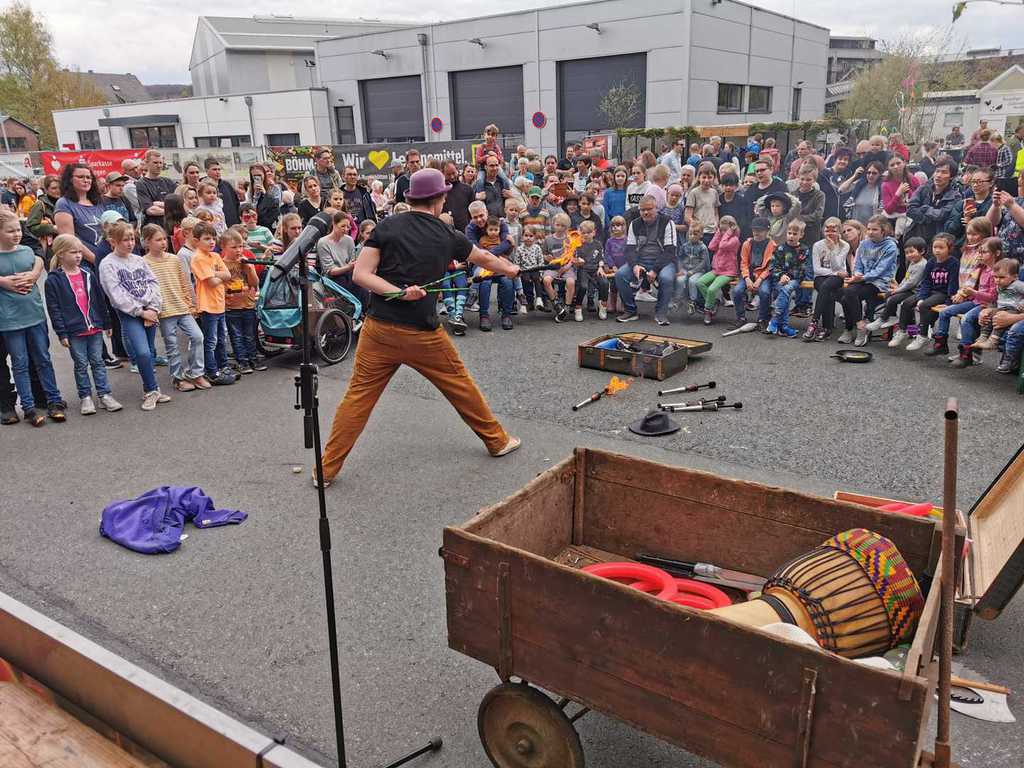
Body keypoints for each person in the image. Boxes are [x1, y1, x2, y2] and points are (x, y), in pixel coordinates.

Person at [315, 168, 521, 487]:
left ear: (412, 198)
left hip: (378, 329)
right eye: (444, 197)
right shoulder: (447, 234)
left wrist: (395, 292)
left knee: (357, 399)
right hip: (422, 334)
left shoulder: (386, 225)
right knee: (461, 386)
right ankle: (497, 441)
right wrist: (510, 269)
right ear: (438, 198)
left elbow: (361, 274)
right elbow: (484, 258)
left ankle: (325, 470)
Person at [0, 210, 66, 426]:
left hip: (34, 315)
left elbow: (37, 258)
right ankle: (27, 407)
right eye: (10, 231)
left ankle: (53, 400)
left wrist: (33, 274)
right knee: (19, 363)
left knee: (43, 359)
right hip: (9, 320)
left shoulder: (27, 251)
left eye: (18, 230)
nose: (17, 234)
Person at [43, 234, 121, 415]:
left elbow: (100, 300)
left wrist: (107, 323)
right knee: (80, 364)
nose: (78, 255)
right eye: (73, 252)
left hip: (94, 327)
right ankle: (85, 397)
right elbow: (54, 309)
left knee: (98, 362)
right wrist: (62, 333)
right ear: (60, 254)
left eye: (79, 252)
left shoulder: (88, 274)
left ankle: (104, 395)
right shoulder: (54, 280)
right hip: (74, 331)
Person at [97, 221, 170, 411]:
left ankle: (152, 388)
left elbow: (153, 282)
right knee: (142, 352)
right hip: (131, 313)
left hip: (150, 310)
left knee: (150, 352)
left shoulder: (138, 260)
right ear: (113, 241)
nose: (130, 243)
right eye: (125, 240)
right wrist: (141, 311)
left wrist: (153, 308)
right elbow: (115, 294)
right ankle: (151, 390)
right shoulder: (108, 264)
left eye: (132, 239)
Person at [142, 224, 207, 392]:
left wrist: (190, 304)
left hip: (182, 307)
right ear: (147, 242)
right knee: (172, 346)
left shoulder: (174, 259)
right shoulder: (143, 263)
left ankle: (195, 373)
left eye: (164, 239)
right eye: (158, 240)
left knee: (198, 336)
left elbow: (184, 282)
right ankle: (177, 378)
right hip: (164, 311)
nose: (163, 243)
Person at [837, 215, 898, 346]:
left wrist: (862, 277)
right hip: (862, 279)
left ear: (883, 231)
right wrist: (857, 275)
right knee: (847, 293)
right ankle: (859, 325)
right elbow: (858, 264)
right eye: (869, 229)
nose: (870, 232)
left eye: (874, 229)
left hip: (880, 282)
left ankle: (852, 328)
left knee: (847, 298)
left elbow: (881, 270)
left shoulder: (891, 246)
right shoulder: (864, 244)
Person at [615, 195, 677, 324]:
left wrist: (655, 270)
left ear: (656, 208)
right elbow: (630, 249)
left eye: (649, 209)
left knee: (666, 278)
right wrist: (635, 266)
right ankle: (630, 311)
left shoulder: (667, 222)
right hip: (641, 261)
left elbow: (670, 250)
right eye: (642, 210)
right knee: (620, 275)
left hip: (664, 262)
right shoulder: (634, 224)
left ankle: (661, 313)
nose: (646, 212)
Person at [189, 222, 236, 386]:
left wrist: (214, 273)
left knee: (221, 338)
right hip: (207, 306)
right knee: (211, 341)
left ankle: (223, 366)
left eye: (213, 238)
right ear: (196, 241)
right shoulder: (198, 258)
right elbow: (212, 282)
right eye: (207, 238)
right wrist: (218, 275)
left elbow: (228, 275)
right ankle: (212, 371)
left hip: (219, 304)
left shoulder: (215, 256)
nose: (211, 242)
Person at [945, 235, 1000, 368]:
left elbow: (993, 297)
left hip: (989, 305)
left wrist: (973, 293)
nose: (980, 255)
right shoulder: (982, 268)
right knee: (947, 311)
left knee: (966, 319)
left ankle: (967, 354)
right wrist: (963, 293)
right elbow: (970, 283)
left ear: (997, 253)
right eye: (979, 252)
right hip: (977, 302)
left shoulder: (996, 272)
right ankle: (946, 345)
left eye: (984, 252)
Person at [466, 201, 516, 330]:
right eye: (475, 217)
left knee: (507, 280)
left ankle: (506, 314)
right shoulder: (470, 229)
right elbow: (475, 250)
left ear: (486, 213)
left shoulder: (500, 223)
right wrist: (488, 257)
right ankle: (484, 316)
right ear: (471, 217)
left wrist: (489, 255)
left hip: (500, 261)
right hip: (480, 264)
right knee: (485, 281)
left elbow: (507, 243)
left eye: (481, 215)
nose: (479, 219)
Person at [907, 233, 959, 352]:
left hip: (942, 293)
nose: (937, 250)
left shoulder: (954, 263)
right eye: (935, 247)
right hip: (930, 292)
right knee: (907, 303)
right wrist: (922, 297)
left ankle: (922, 334)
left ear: (949, 248)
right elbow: (926, 282)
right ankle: (907, 331)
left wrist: (949, 302)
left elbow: (953, 284)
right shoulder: (931, 262)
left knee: (924, 306)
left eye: (941, 247)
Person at [220, 229, 263, 374]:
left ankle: (253, 358)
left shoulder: (246, 262)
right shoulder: (221, 264)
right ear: (223, 247)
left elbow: (255, 283)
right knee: (237, 336)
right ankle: (242, 361)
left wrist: (249, 269)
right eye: (234, 247)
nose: (238, 250)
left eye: (241, 246)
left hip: (248, 304)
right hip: (231, 307)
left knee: (251, 335)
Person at [869, 236, 928, 341]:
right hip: (910, 289)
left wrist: (897, 290)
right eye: (907, 253)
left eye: (912, 252)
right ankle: (892, 317)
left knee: (895, 299)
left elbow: (911, 283)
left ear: (922, 251)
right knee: (889, 295)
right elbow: (907, 278)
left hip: (916, 291)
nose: (909, 255)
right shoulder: (913, 262)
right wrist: (898, 286)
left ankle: (884, 318)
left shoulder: (921, 265)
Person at [802, 217, 849, 342]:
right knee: (828, 291)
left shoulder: (844, 245)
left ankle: (814, 322)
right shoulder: (817, 245)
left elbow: (837, 265)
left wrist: (833, 249)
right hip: (821, 277)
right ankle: (827, 328)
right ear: (823, 230)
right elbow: (817, 269)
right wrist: (836, 273)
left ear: (839, 231)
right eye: (827, 230)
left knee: (826, 288)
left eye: (834, 231)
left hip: (836, 279)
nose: (830, 233)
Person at [964, 257, 1024, 353]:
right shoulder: (999, 286)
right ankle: (983, 337)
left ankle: (993, 340)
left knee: (999, 317)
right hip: (1001, 308)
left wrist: (1022, 303)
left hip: (1013, 309)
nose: (998, 280)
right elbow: (995, 300)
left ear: (1014, 277)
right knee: (988, 314)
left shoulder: (1017, 285)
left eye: (1002, 277)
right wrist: (988, 309)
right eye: (995, 277)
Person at [761, 220, 809, 338]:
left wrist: (788, 277)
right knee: (784, 292)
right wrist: (781, 275)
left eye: (794, 234)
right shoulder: (780, 248)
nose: (791, 236)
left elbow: (802, 269)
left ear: (801, 235)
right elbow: (773, 266)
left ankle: (774, 321)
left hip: (796, 279)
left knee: (786, 289)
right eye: (789, 233)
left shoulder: (804, 249)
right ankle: (784, 327)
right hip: (780, 279)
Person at [729, 216, 774, 332]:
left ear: (767, 231)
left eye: (760, 230)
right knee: (737, 291)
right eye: (754, 230)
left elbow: (770, 267)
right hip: (748, 275)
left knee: (764, 292)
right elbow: (743, 263)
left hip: (763, 276)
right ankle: (741, 317)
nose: (756, 233)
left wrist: (759, 280)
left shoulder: (772, 245)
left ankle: (762, 319)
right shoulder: (747, 244)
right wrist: (747, 278)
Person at [54, 163, 104, 260]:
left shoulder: (99, 202)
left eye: (88, 177)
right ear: (70, 179)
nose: (86, 180)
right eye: (81, 177)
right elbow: (70, 240)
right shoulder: (64, 204)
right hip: (83, 261)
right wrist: (95, 260)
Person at [906, 157, 961, 242]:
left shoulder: (955, 196)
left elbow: (942, 215)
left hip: (939, 239)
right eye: (937, 171)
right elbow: (910, 209)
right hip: (917, 235)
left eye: (944, 172)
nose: (939, 175)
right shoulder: (923, 189)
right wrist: (926, 219)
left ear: (951, 177)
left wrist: (925, 208)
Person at [697, 215, 740, 325]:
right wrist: (718, 233)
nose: (723, 232)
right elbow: (711, 247)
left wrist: (728, 233)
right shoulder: (720, 236)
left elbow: (722, 246)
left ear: (732, 228)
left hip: (728, 272)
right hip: (717, 269)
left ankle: (708, 311)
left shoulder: (735, 240)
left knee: (712, 290)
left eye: (726, 230)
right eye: (722, 230)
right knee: (700, 283)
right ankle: (713, 302)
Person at [945, 167, 995, 245]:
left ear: (991, 183)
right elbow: (949, 230)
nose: (975, 185)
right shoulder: (962, 204)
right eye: (973, 181)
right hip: (960, 247)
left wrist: (972, 222)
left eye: (980, 182)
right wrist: (962, 215)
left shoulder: (994, 205)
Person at [570, 220, 608, 321]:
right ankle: (578, 307)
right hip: (583, 269)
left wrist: (600, 267)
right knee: (583, 286)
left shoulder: (598, 244)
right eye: (583, 233)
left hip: (596, 269)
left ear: (594, 232)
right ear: (580, 233)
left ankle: (603, 305)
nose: (586, 235)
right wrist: (578, 261)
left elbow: (601, 258)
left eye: (589, 232)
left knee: (604, 283)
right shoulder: (577, 245)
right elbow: (573, 259)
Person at [674, 223, 710, 316]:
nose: (692, 236)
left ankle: (693, 302)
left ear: (701, 235)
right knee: (680, 279)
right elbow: (680, 258)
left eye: (695, 234)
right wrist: (680, 269)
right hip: (685, 269)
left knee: (692, 281)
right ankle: (678, 299)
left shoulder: (703, 247)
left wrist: (693, 271)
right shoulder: (685, 246)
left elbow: (704, 262)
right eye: (690, 234)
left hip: (698, 271)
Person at [135, 150, 177, 230]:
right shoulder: (142, 184)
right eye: (155, 163)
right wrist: (171, 211)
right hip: (154, 228)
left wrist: (157, 204)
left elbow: (179, 204)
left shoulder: (168, 182)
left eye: (161, 163)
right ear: (147, 163)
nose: (159, 166)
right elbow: (150, 210)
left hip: (171, 227)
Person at [881, 154, 920, 238]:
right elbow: (888, 210)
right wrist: (898, 194)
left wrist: (907, 203)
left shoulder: (913, 180)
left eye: (898, 163)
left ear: (904, 163)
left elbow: (920, 200)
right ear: (888, 168)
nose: (896, 167)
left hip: (912, 222)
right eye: (892, 165)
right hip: (892, 222)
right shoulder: (886, 185)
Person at [685, 163, 719, 245]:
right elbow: (687, 216)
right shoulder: (694, 193)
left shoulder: (714, 192)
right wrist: (696, 228)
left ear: (714, 178)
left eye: (710, 177)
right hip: (699, 233)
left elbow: (716, 212)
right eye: (704, 177)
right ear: (699, 178)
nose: (706, 180)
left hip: (712, 232)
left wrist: (716, 224)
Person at [204, 157, 241, 227]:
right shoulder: (202, 186)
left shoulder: (227, 185)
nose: (217, 172)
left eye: (219, 169)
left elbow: (236, 204)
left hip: (232, 225)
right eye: (214, 169)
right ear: (206, 171)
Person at [441, 161, 474, 234]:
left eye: (453, 173)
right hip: (446, 233)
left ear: (457, 170)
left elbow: (473, 213)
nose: (452, 177)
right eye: (448, 174)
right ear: (443, 173)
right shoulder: (440, 192)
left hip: (465, 233)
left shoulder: (468, 189)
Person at [247, 164, 280, 231]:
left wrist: (265, 193)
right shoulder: (251, 190)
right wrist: (255, 196)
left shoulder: (274, 187)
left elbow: (276, 205)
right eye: (254, 176)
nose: (257, 178)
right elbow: (251, 209)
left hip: (270, 223)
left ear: (264, 174)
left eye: (259, 175)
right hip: (257, 223)